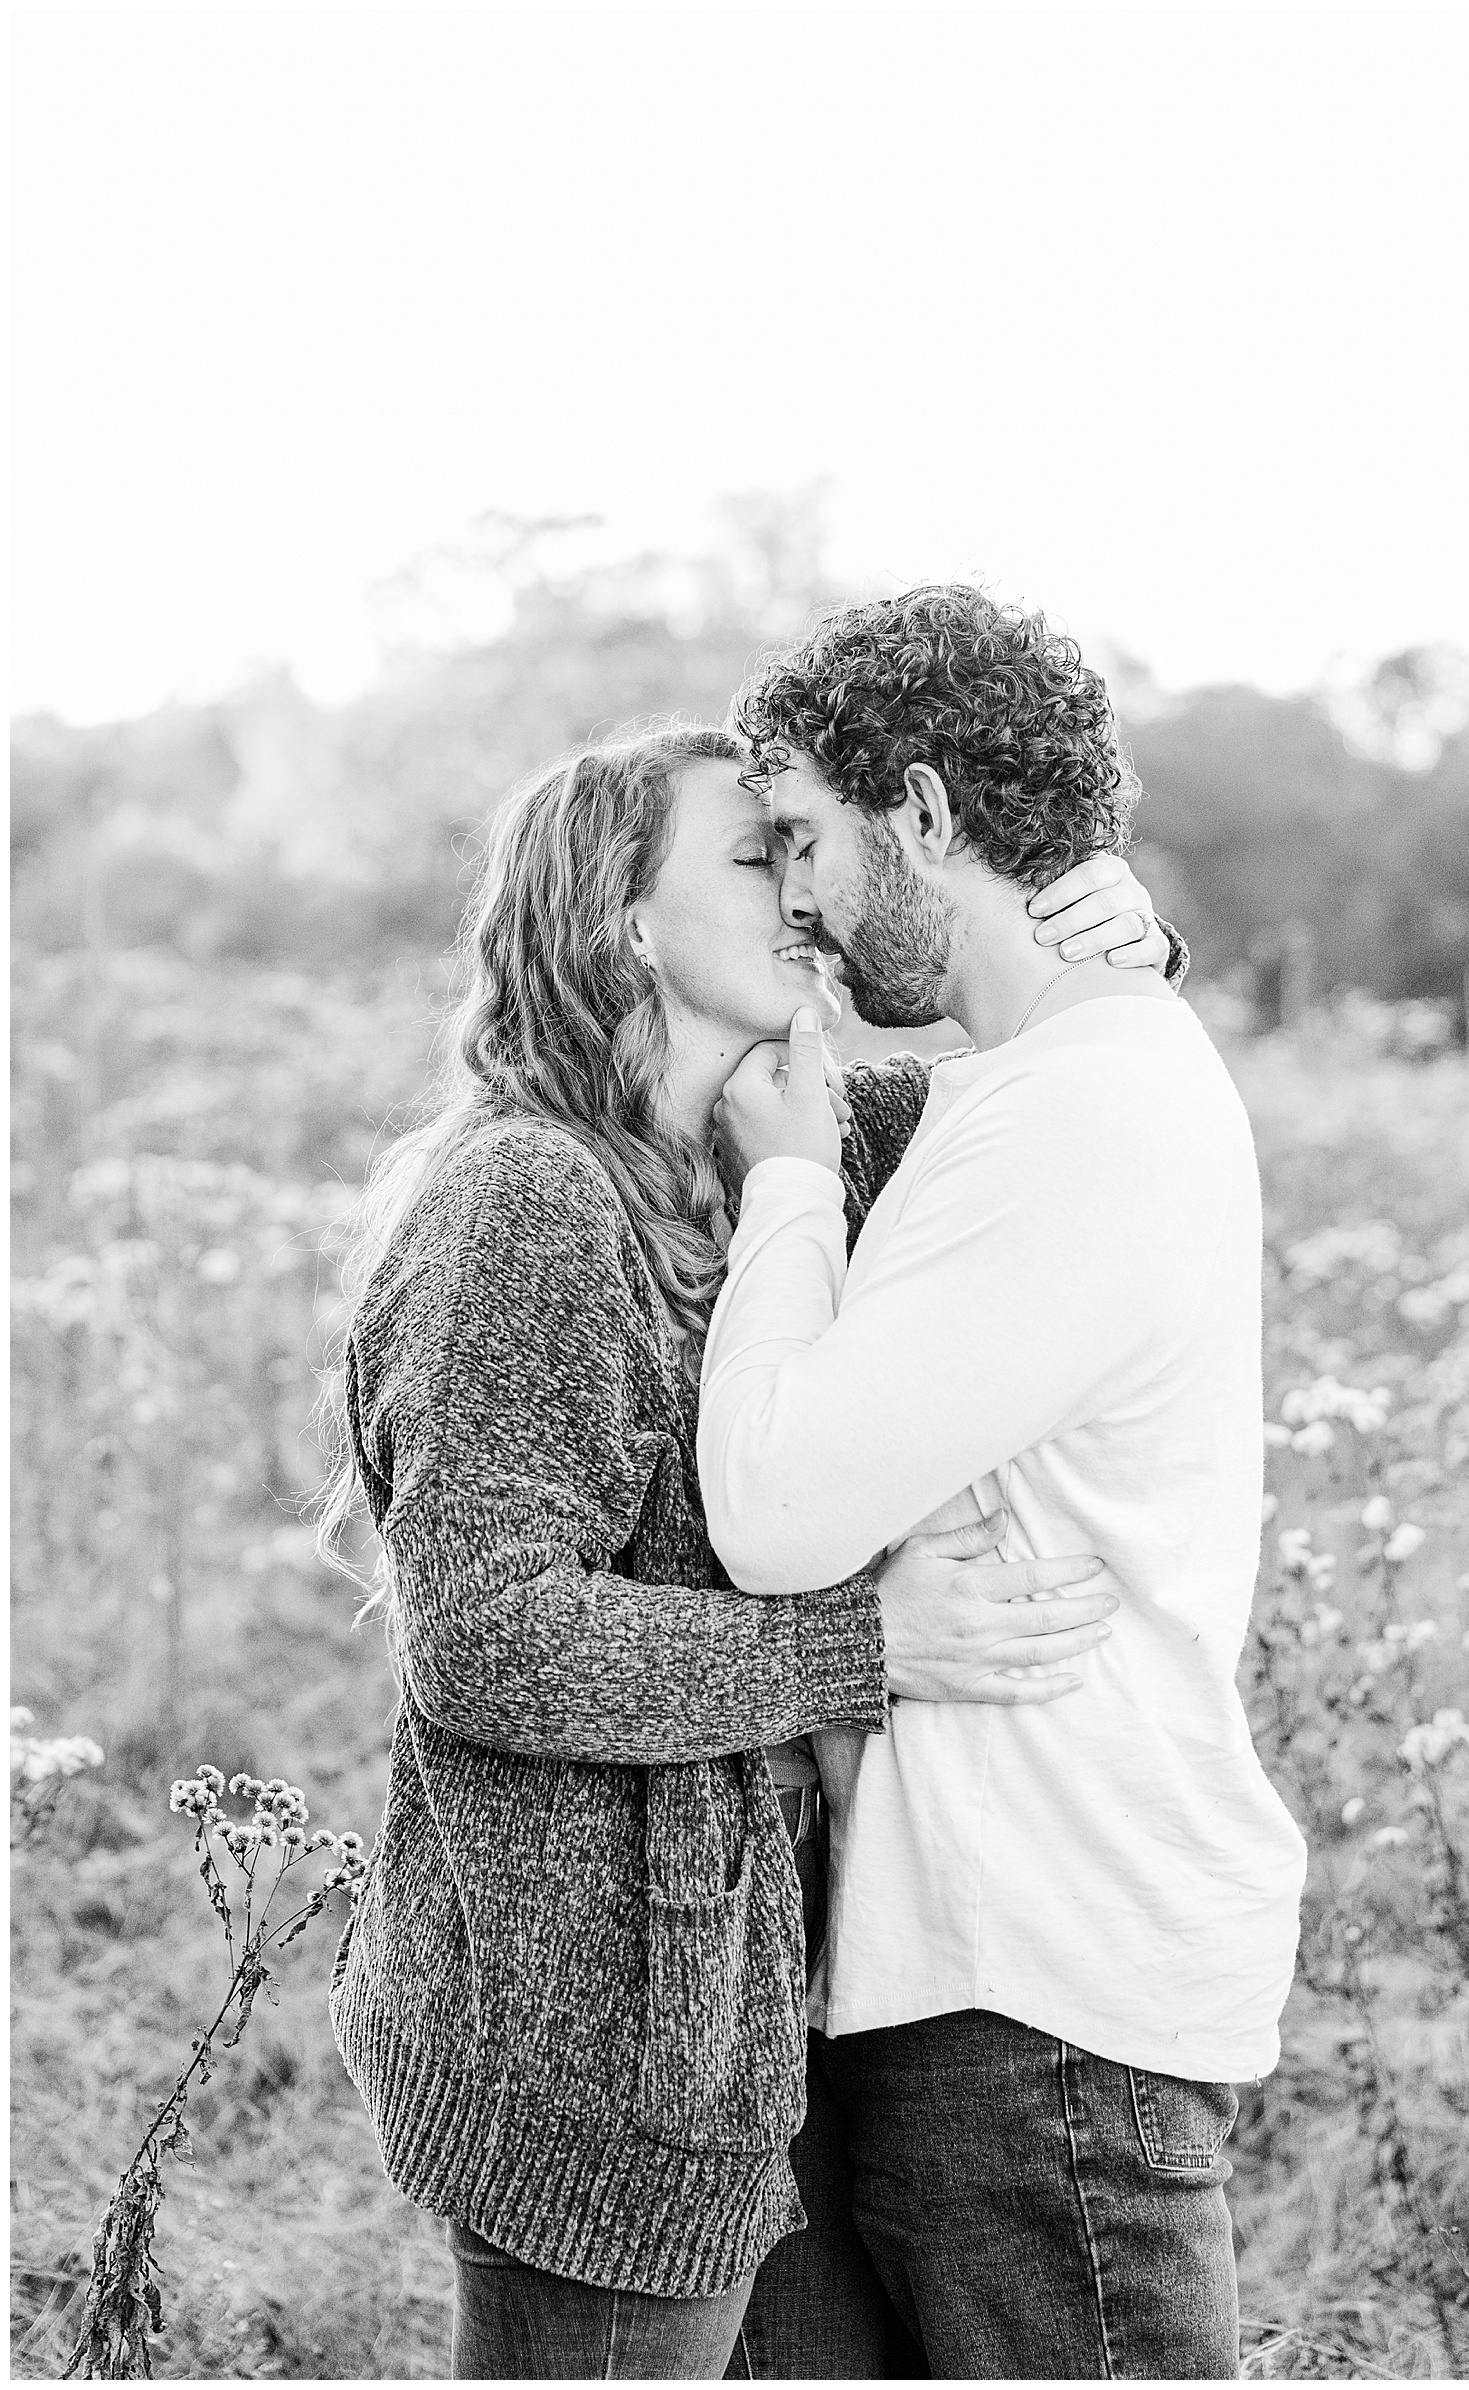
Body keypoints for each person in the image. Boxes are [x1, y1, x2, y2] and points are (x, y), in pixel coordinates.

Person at [316, 719, 1180, 2380]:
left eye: (799, 851)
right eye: (750, 856)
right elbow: (492, 1637)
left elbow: (1051, 1093)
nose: (803, 888)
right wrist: (868, 1642)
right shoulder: (527, 1200)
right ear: (620, 920)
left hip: (757, 2021)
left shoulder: (798, 1136)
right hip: (591, 2045)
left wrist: (1123, 950)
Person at [697, 588, 1309, 2381]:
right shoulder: (1035, 1082)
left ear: (930, 813)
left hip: (1042, 1986)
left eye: (805, 835)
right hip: (988, 1969)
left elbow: (783, 1509)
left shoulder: (1080, 1109)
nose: (795, 895)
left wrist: (789, 1186)